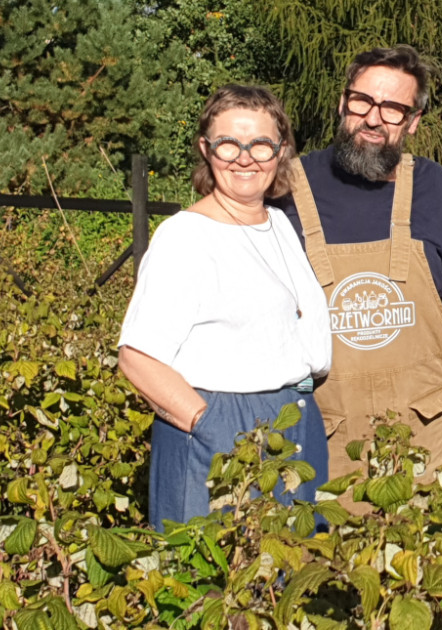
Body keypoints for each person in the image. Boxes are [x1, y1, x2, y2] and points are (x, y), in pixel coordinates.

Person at [274, 45, 442, 513]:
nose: (374, 119)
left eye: (393, 109)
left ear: (413, 121)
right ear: (343, 103)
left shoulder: (433, 189)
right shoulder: (285, 189)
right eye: (362, 102)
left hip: (419, 437)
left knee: (416, 570)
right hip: (322, 435)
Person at [118, 85, 332, 531]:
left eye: (261, 145)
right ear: (206, 149)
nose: (245, 157)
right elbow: (138, 357)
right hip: (222, 425)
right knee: (211, 583)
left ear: (281, 151)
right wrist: (210, 425)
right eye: (229, 144)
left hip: (293, 422)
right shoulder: (186, 237)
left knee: (286, 580)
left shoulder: (279, 225)